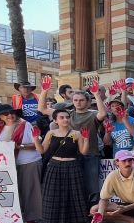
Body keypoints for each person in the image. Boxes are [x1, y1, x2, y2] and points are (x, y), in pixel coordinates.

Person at [38, 77, 107, 208]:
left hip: (90, 155)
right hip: (72, 156)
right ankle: (79, 212)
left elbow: (103, 114)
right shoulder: (67, 114)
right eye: (75, 100)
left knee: (92, 187)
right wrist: (44, 91)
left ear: (87, 102)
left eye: (81, 100)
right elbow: (42, 109)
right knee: (76, 187)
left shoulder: (93, 114)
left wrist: (97, 95)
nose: (78, 103)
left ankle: (92, 212)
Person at [32, 107, 91, 223]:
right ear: (55, 120)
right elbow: (42, 150)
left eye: (67, 117)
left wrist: (86, 140)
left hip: (73, 166)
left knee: (75, 194)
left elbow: (83, 152)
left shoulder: (76, 133)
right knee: (53, 195)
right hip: (54, 166)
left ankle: (78, 222)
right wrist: (35, 139)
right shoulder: (51, 133)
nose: (65, 119)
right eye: (62, 117)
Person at [0, 104, 42, 223]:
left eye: (11, 112)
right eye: (6, 114)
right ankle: (15, 217)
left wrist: (19, 147)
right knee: (13, 191)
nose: (10, 115)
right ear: (0, 117)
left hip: (28, 161)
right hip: (8, 164)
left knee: (30, 191)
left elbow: (37, 143)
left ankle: (31, 218)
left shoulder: (25, 125)